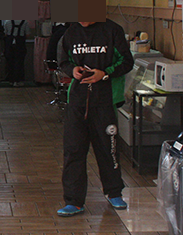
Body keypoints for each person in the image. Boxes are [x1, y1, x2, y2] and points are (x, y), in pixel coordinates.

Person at [56, 19, 134, 216]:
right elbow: (64, 61)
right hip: (77, 102)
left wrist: (105, 73)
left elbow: (127, 61)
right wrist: (72, 70)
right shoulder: (71, 33)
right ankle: (74, 201)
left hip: (105, 100)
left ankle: (114, 192)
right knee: (73, 150)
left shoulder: (113, 30)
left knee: (108, 149)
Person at [2, 19, 29, 86]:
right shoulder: (25, 22)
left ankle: (11, 80)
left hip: (9, 44)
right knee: (20, 62)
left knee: (10, 62)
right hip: (20, 44)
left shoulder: (7, 21)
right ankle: (19, 80)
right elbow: (27, 35)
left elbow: (5, 34)